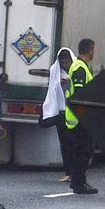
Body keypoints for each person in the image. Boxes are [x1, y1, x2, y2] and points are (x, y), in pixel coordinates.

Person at [64, 39, 98, 194]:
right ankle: (79, 183)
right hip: (79, 119)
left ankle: (77, 182)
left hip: (77, 118)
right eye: (93, 49)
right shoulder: (79, 69)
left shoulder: (81, 66)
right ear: (89, 50)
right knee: (83, 152)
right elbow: (79, 96)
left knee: (82, 151)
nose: (94, 52)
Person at [41, 48, 77, 183]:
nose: (65, 64)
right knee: (65, 143)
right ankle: (68, 172)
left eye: (66, 61)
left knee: (75, 143)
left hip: (74, 113)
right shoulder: (55, 70)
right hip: (61, 111)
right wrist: (60, 83)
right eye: (62, 62)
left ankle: (76, 172)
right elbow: (53, 88)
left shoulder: (76, 70)